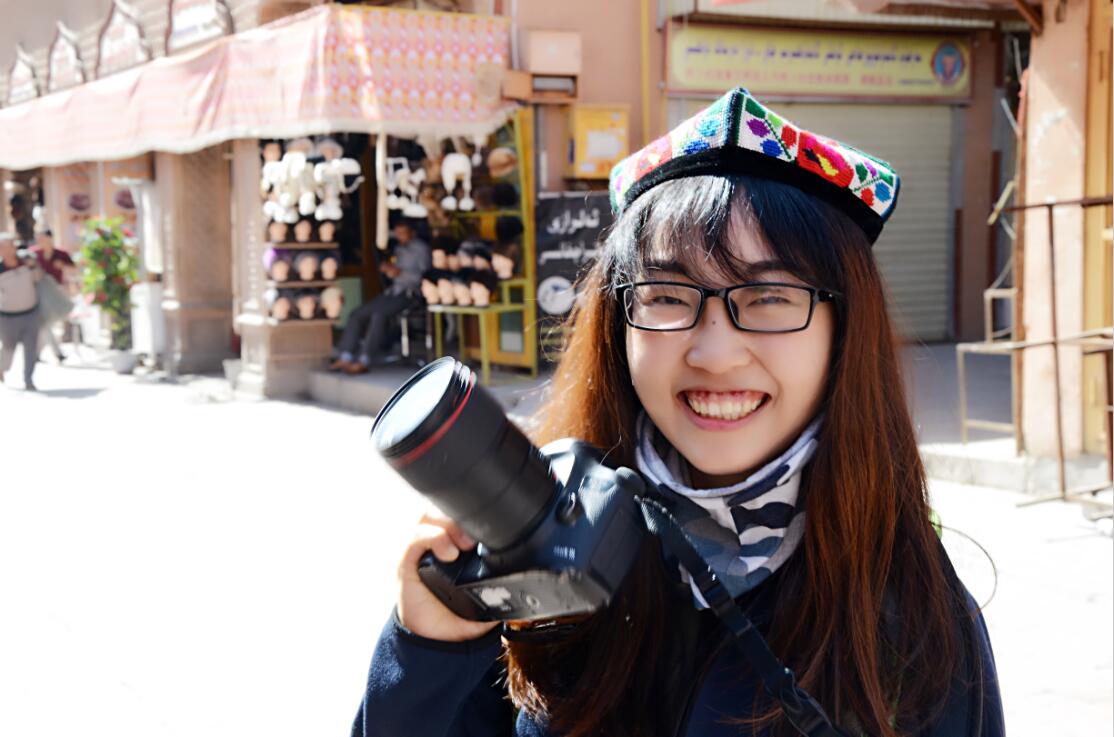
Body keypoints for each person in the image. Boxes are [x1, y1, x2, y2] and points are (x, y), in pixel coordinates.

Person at [350, 89, 1005, 737]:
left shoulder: (913, 615)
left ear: (844, 330)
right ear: (618, 321)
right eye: (666, 295)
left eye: (770, 297)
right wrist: (426, 652)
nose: (715, 354)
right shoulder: (542, 541)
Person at [330, 220, 431, 374]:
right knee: (357, 313)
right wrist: (389, 270)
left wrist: (400, 273)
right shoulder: (398, 248)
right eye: (397, 233)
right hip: (392, 292)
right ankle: (345, 356)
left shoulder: (421, 249)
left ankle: (364, 360)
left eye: (403, 233)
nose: (399, 236)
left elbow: (425, 276)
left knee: (379, 315)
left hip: (411, 294)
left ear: (412, 233)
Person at [0, 233, 42, 390]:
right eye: (5, 247)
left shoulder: (27, 262)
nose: (10, 250)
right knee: (8, 347)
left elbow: (39, 279)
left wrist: (34, 266)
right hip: (7, 317)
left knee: (31, 349)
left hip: (30, 313)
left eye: (12, 246)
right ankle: (2, 368)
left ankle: (28, 380)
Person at [29, 229, 74, 362]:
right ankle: (56, 353)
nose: (39, 241)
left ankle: (37, 353)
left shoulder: (61, 253)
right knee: (44, 322)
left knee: (46, 323)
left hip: (57, 291)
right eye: (38, 238)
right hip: (40, 292)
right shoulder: (33, 253)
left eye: (42, 238)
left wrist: (63, 266)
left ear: (49, 238)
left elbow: (74, 269)